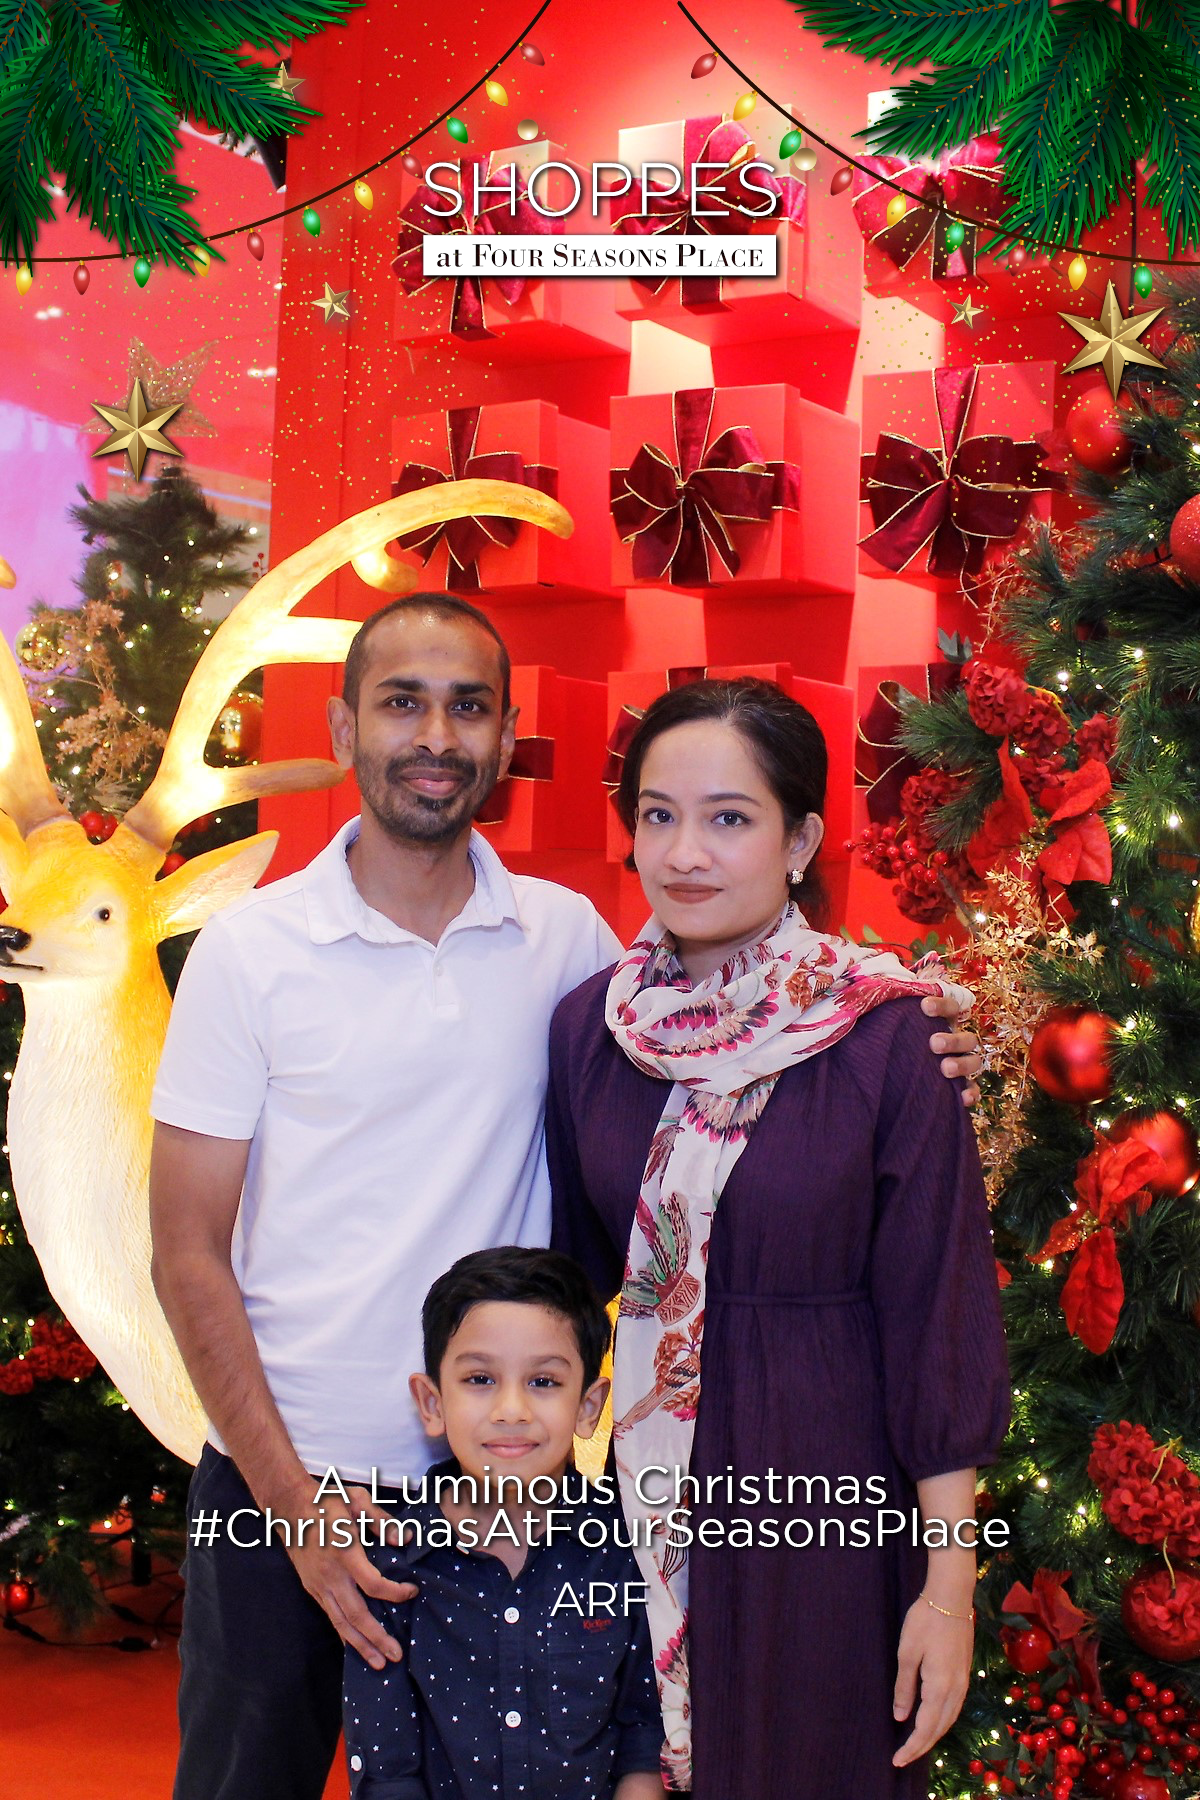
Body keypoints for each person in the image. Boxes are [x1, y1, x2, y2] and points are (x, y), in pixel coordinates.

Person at [147, 595, 985, 1800]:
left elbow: (770, 1129)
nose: (436, 735)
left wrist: (933, 1036)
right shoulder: (256, 953)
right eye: (401, 702)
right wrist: (292, 1505)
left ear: (507, 738)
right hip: (289, 1484)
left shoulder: (569, 950)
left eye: (468, 706)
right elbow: (186, 1251)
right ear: (341, 730)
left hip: (518, 1501)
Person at [545, 676, 1011, 1800]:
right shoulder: (589, 1031)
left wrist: (949, 1590)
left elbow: (940, 1323)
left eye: (729, 818)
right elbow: (566, 1285)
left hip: (828, 1504)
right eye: (658, 815)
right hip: (636, 1506)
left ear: (800, 840)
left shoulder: (889, 1037)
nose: (684, 853)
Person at [343, 1246, 666, 1799]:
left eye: (543, 1382)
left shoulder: (625, 1552)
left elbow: (645, 1739)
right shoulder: (390, 1565)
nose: (511, 1409)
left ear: (588, 1407)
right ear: (432, 1402)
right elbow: (386, 1772)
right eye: (479, 1379)